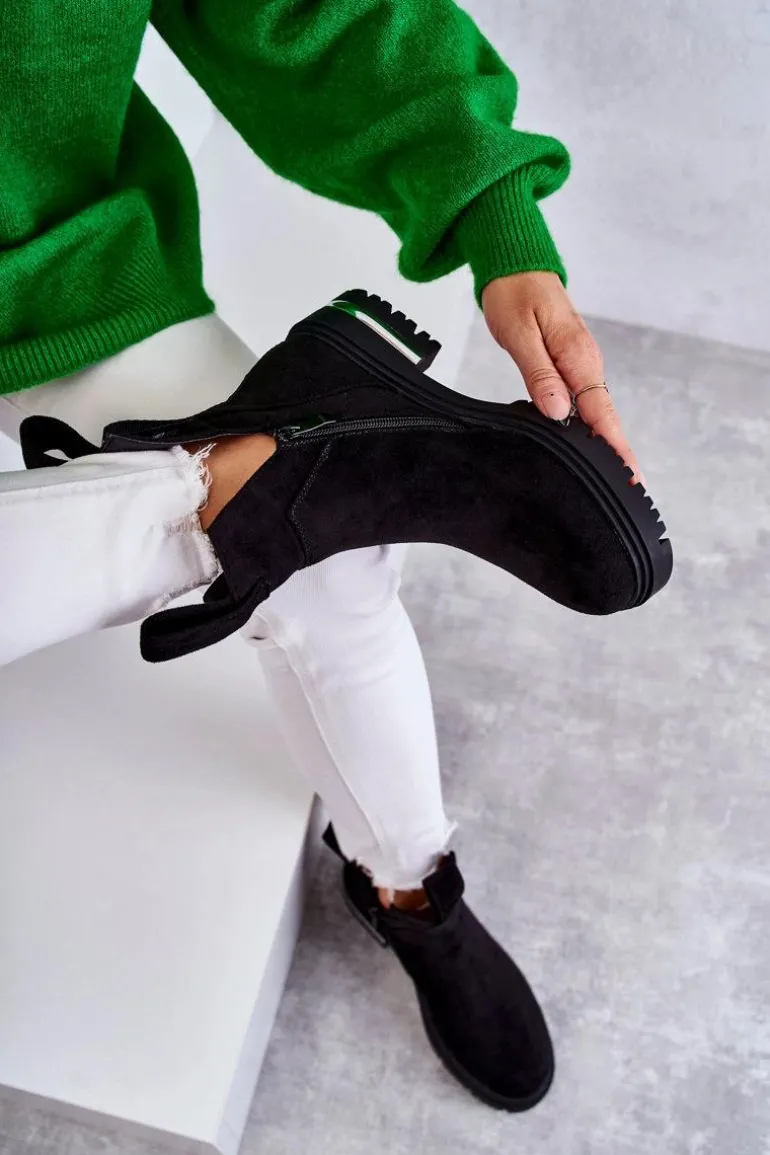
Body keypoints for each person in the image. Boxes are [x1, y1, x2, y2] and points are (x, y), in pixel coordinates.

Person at [0, 0, 668, 1113]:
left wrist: (491, 208)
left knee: (321, 568)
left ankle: (408, 885)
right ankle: (241, 482)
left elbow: (310, 9)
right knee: (301, 521)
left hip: (60, 275)